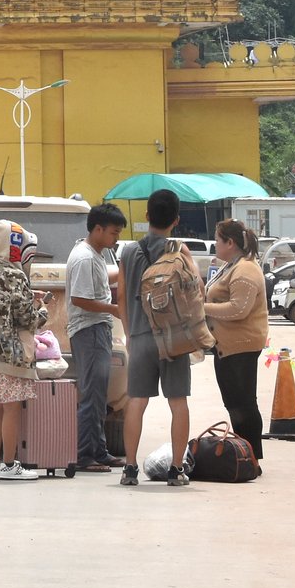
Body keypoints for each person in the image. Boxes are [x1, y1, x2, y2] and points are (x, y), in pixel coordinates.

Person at [118, 189, 194, 487]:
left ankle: (129, 468)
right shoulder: (179, 250)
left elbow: (122, 296)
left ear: (147, 215)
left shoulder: (128, 252)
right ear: (176, 220)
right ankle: (176, 469)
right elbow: (196, 289)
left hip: (139, 335)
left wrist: (128, 332)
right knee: (178, 401)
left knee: (136, 400)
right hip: (173, 338)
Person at [0, 219, 47, 480]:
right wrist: (42, 308)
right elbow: (27, 319)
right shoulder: (15, 275)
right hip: (9, 355)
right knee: (13, 407)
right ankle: (10, 465)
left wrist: (28, 297)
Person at [65, 204, 128, 472]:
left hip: (96, 331)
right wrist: (114, 309)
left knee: (99, 395)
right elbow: (79, 299)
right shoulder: (85, 258)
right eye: (114, 233)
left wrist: (127, 269)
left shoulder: (95, 255)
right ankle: (84, 456)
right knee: (91, 395)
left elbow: (105, 276)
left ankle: (99, 451)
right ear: (98, 229)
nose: (116, 239)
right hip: (89, 332)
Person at [205, 218, 270, 461]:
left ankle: (251, 457)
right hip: (226, 347)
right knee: (234, 404)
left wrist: (203, 308)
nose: (215, 246)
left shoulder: (245, 270)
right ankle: (244, 454)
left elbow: (238, 310)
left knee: (243, 405)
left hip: (240, 346)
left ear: (230, 243)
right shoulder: (233, 266)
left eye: (217, 241)